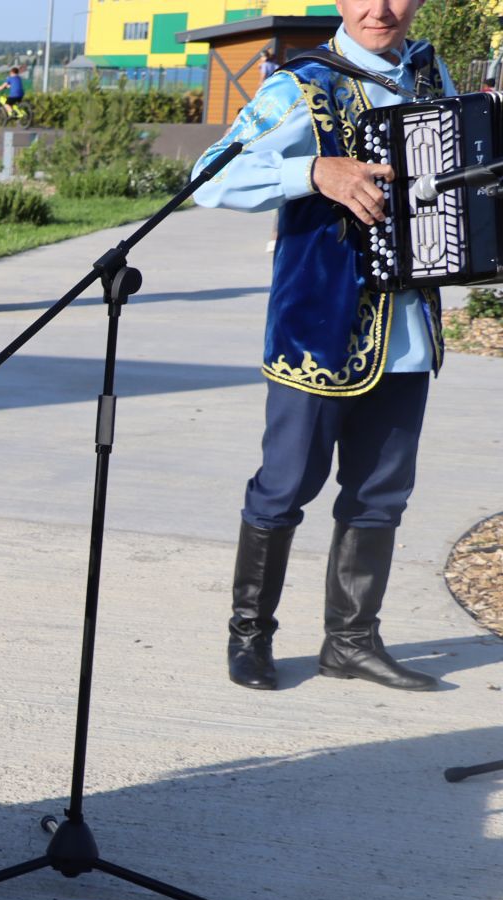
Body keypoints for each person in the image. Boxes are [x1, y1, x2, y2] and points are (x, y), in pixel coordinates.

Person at [193, 0, 450, 692]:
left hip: (406, 331)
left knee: (380, 493)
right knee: (284, 487)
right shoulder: (301, 85)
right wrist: (311, 173)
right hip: (319, 328)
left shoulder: (433, 77)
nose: (381, 9)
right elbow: (209, 176)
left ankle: (351, 642)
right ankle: (249, 635)